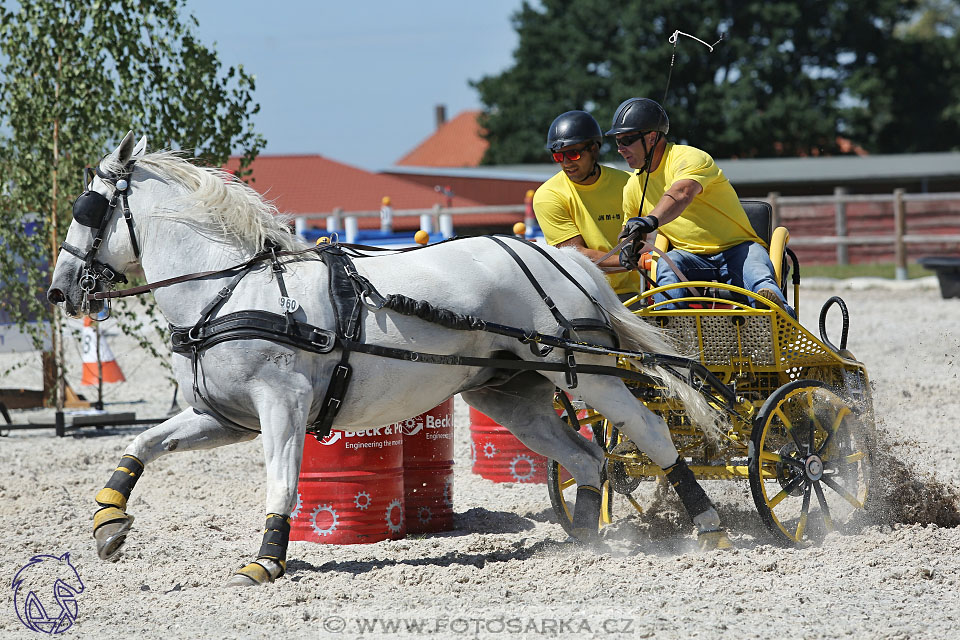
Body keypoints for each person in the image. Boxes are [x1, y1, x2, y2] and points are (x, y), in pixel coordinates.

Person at [608, 97, 792, 313]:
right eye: (617, 142)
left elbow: (682, 192)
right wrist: (628, 244)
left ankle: (775, 314)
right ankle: (668, 323)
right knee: (668, 264)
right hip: (689, 257)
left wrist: (650, 221)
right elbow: (630, 228)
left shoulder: (689, 158)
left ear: (652, 138)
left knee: (757, 270)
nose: (621, 148)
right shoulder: (632, 186)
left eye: (627, 140)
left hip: (737, 248)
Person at [532, 110, 644, 300]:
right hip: (588, 296)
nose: (566, 163)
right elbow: (577, 255)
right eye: (558, 156)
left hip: (638, 293)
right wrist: (631, 262)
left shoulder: (630, 182)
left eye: (573, 154)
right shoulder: (548, 196)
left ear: (594, 149)